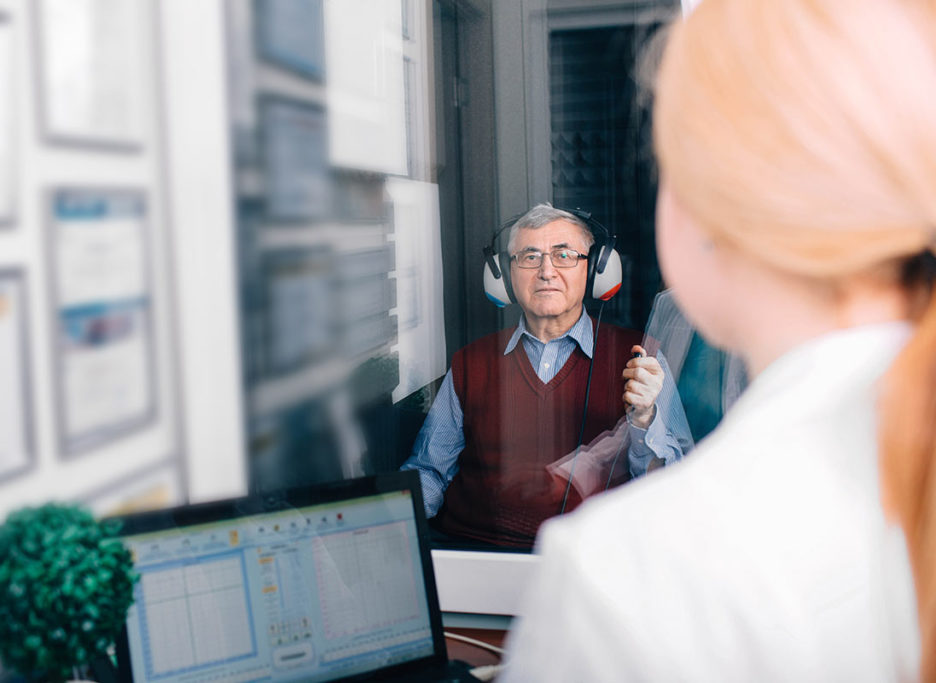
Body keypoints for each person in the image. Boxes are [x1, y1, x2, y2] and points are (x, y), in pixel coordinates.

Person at [502, 0, 935, 680]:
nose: (549, 271)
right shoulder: (665, 323)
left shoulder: (630, 577)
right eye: (530, 256)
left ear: (704, 206)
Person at [401, 203, 676, 547]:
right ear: (504, 276)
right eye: (529, 257)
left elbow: (672, 487)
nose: (546, 271)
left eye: (564, 256)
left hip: (594, 561)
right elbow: (429, 471)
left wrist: (644, 419)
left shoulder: (641, 357)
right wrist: (392, 531)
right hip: (475, 554)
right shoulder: (470, 363)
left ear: (594, 272)